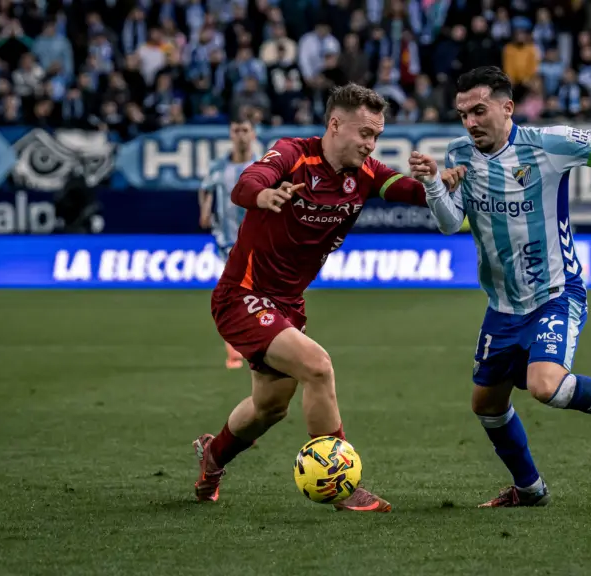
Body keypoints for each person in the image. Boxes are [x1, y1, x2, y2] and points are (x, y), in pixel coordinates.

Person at [408, 66, 591, 507]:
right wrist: (432, 184)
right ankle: (530, 489)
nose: (470, 122)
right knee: (486, 406)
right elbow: (449, 225)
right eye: (463, 113)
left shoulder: (546, 145)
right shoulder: (459, 152)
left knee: (545, 385)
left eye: (479, 111)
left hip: (555, 295)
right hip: (502, 307)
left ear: (507, 108)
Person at [193, 84, 459, 511]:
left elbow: (406, 190)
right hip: (242, 295)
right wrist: (265, 194)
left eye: (376, 136)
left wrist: (436, 182)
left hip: (288, 304)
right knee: (318, 367)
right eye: (365, 134)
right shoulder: (293, 154)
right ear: (335, 124)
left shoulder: (366, 172)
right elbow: (246, 182)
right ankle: (342, 487)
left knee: (269, 407)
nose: (371, 144)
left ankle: (213, 456)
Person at [199, 117, 261, 369]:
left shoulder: (262, 166)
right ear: (230, 134)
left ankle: (256, 343)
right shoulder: (219, 166)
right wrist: (204, 209)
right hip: (227, 241)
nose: (241, 135)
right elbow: (206, 188)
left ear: (253, 134)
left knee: (254, 293)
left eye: (245, 130)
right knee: (237, 294)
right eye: (236, 130)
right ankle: (237, 350)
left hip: (257, 241)